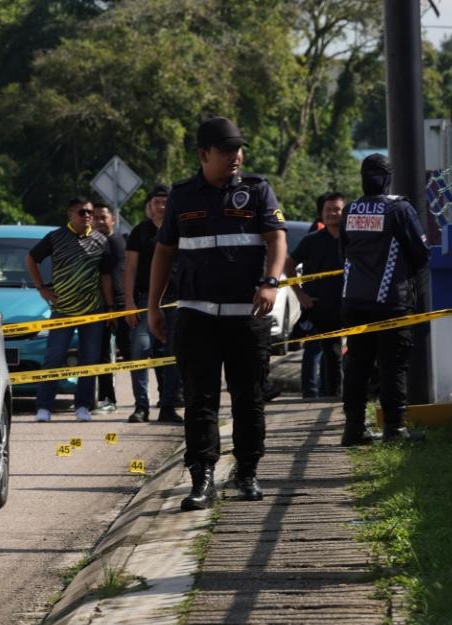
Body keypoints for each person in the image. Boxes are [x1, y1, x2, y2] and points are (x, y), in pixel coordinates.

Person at [148, 116, 287, 510]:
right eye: (226, 151)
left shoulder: (257, 191)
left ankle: (247, 473)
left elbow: (277, 239)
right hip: (197, 316)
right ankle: (203, 478)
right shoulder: (182, 195)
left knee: (250, 398)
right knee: (199, 400)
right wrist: (153, 306)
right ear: (203, 154)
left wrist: (271, 282)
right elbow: (164, 252)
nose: (235, 157)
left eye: (238, 149)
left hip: (247, 316)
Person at [339, 154, 430, 445]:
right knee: (394, 364)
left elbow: (343, 250)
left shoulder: (350, 210)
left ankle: (353, 428)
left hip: (354, 300)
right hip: (391, 300)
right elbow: (421, 253)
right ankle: (395, 428)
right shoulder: (399, 209)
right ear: (388, 178)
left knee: (357, 364)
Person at [26, 196, 114, 423]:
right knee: (53, 357)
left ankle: (83, 406)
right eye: (82, 212)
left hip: (92, 310)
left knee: (89, 360)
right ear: (70, 215)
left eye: (90, 213)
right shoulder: (55, 237)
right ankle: (44, 407)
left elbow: (105, 276)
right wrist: (41, 288)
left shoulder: (100, 240)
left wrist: (110, 307)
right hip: (62, 309)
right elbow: (31, 259)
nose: (87, 216)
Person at [123, 185, 184, 424]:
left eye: (166, 202)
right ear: (150, 206)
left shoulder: (182, 229)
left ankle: (168, 405)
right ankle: (141, 406)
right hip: (143, 301)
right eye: (157, 202)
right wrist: (128, 302)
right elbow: (130, 268)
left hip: (176, 301)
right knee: (140, 350)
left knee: (172, 355)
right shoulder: (140, 232)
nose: (162, 206)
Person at [285, 191, 347, 399]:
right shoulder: (312, 240)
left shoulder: (353, 239)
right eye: (328, 210)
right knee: (316, 351)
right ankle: (311, 395)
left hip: (348, 305)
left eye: (337, 209)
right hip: (317, 306)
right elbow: (289, 265)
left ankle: (334, 395)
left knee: (339, 354)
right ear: (322, 213)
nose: (332, 213)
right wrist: (300, 295)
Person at [92, 202, 128, 413]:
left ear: (113, 219)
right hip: (101, 307)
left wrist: (114, 307)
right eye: (95, 217)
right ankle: (107, 399)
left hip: (122, 306)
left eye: (103, 217)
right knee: (102, 355)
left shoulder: (118, 242)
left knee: (134, 354)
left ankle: (147, 402)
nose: (99, 221)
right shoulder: (94, 244)